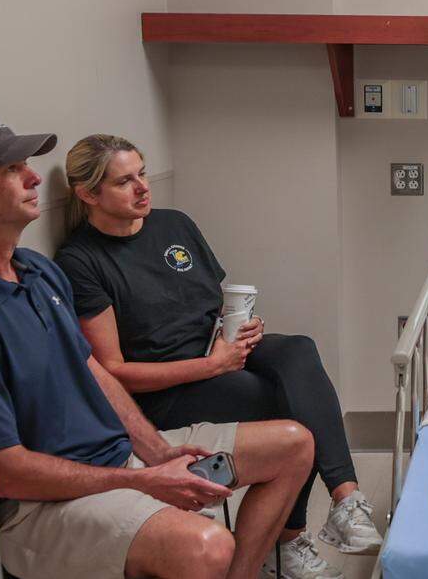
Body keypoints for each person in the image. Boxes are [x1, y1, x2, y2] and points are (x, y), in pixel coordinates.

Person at [0, 113, 314, 579]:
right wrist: (142, 480)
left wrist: (159, 456)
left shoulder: (38, 272)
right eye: (9, 170)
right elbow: (5, 471)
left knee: (294, 443)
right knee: (205, 547)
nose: (33, 178)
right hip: (40, 505)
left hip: (119, 456)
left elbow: (94, 370)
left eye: (27, 164)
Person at [54, 134, 381, 579]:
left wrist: (243, 326)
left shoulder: (173, 225)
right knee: (279, 401)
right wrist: (212, 365)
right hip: (166, 392)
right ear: (89, 194)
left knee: (298, 351)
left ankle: (346, 499)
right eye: (125, 181)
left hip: (216, 354)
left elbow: (211, 302)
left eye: (143, 173)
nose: (143, 187)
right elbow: (112, 372)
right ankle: (284, 543)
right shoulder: (81, 261)